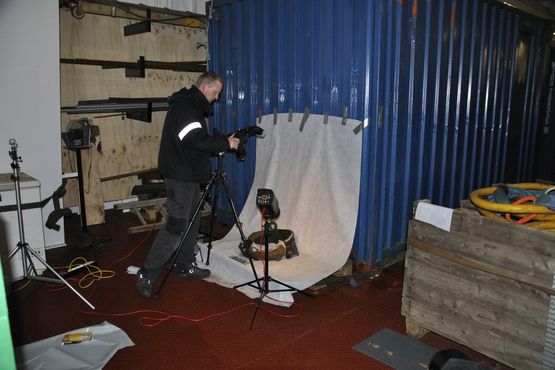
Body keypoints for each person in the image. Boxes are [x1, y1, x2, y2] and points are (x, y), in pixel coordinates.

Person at [136, 71, 240, 298]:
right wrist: (224, 142)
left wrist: (219, 141)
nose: (216, 97)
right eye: (215, 92)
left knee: (192, 221)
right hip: (179, 175)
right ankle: (147, 272)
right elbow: (194, 140)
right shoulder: (186, 107)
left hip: (189, 173)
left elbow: (194, 142)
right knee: (176, 224)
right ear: (204, 87)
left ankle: (184, 265)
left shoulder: (192, 107)